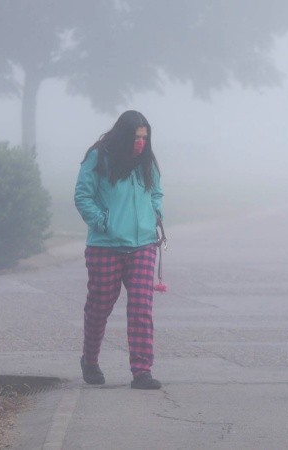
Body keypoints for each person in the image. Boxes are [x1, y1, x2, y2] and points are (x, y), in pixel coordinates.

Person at [74, 110, 164, 389]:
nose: (140, 143)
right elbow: (83, 195)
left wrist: (155, 215)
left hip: (143, 245)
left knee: (141, 307)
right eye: (136, 137)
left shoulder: (147, 162)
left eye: (144, 138)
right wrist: (103, 222)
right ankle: (90, 359)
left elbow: (156, 193)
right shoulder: (99, 158)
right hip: (106, 245)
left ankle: (142, 371)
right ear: (124, 135)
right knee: (99, 307)